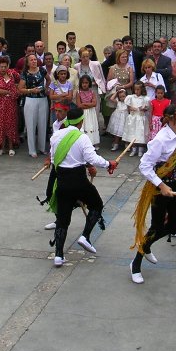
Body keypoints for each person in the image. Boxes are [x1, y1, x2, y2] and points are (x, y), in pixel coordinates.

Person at [48, 106, 117, 266]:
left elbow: (53, 160)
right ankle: (85, 236)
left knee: (62, 220)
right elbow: (92, 158)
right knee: (97, 205)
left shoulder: (56, 136)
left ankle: (58, 255)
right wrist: (109, 164)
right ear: (81, 121)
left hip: (62, 181)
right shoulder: (82, 137)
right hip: (79, 180)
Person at [129, 104, 176, 284]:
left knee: (175, 225)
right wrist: (161, 185)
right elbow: (144, 166)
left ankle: (146, 246)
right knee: (157, 227)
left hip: (174, 184)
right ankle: (136, 262)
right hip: (159, 188)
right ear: (171, 119)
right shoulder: (160, 140)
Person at [19, 54, 49, 158]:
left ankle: (42, 148)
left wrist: (46, 88)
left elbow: (48, 79)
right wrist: (31, 90)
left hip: (42, 99)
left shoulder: (42, 70)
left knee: (42, 123)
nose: (34, 61)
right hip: (30, 99)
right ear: (27, 62)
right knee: (31, 125)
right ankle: (32, 150)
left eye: (35, 59)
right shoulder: (25, 73)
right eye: (31, 60)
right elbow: (20, 89)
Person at [0, 56, 20, 156]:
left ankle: (11, 147)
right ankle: (1, 147)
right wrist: (8, 91)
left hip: (11, 104)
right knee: (0, 125)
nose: (3, 69)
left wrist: (16, 89)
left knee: (11, 124)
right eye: (1, 67)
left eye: (5, 66)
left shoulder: (12, 74)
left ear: (8, 66)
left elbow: (21, 80)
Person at [123, 81, 150, 157]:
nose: (137, 91)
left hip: (141, 118)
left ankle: (140, 149)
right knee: (133, 133)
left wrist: (144, 108)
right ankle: (133, 149)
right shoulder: (131, 97)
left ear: (142, 90)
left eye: (138, 89)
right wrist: (131, 108)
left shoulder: (145, 98)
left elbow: (147, 108)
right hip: (133, 118)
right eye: (135, 89)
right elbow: (128, 107)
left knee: (140, 134)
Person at [76, 75, 100, 148]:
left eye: (86, 83)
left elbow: (94, 104)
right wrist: (89, 104)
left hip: (91, 113)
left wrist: (85, 104)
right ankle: (83, 144)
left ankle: (92, 143)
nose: (84, 84)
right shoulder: (78, 92)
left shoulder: (92, 92)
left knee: (91, 126)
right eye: (83, 83)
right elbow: (79, 105)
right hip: (82, 113)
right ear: (80, 83)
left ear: (89, 83)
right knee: (84, 126)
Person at [107, 87, 128, 152]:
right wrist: (117, 92)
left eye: (124, 96)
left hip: (125, 119)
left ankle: (126, 144)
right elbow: (111, 98)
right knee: (117, 132)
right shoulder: (118, 102)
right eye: (120, 97)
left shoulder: (128, 102)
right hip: (117, 119)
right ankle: (116, 144)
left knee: (125, 131)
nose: (122, 98)